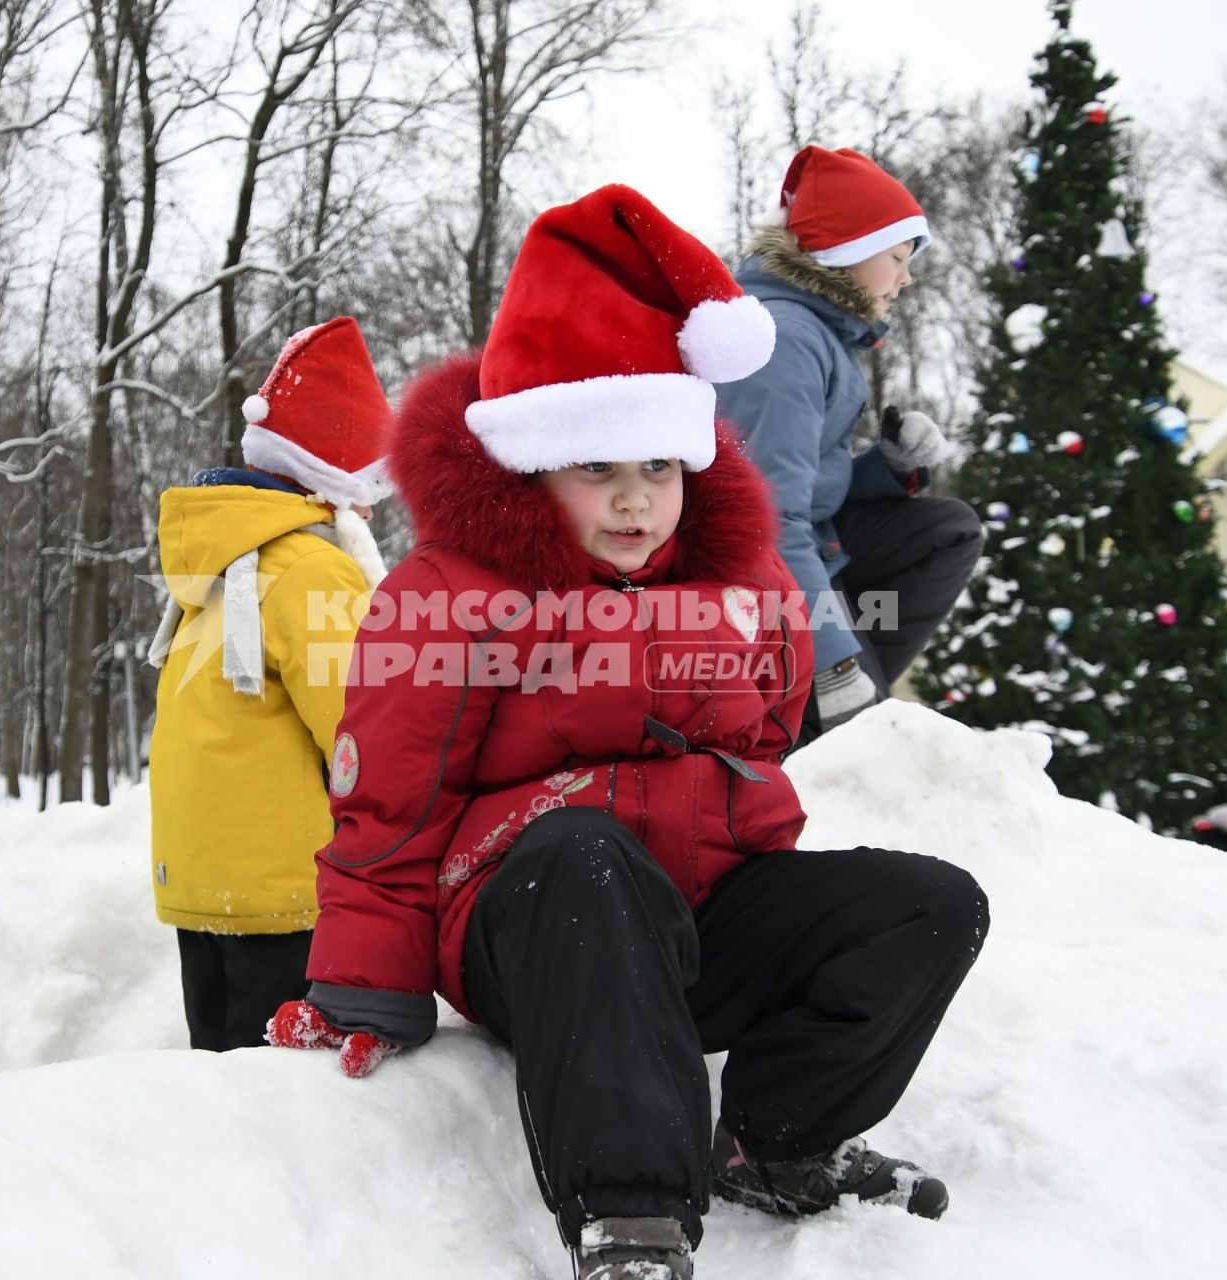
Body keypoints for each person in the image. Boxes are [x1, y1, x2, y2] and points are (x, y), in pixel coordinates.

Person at [264, 187, 989, 1280]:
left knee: (929, 904)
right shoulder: (451, 592)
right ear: (532, 466)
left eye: (656, 467)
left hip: (690, 918)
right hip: (535, 923)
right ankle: (632, 1214)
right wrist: (369, 985)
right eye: (596, 467)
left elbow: (765, 742)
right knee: (588, 848)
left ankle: (776, 1139)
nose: (635, 500)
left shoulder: (740, 583)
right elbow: (389, 801)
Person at [146, 317, 391, 1051]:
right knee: (280, 1110)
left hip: (203, 884)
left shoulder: (219, 561)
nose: (377, 506)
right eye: (373, 480)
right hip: (288, 895)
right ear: (334, 477)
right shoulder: (311, 570)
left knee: (225, 1093)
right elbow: (363, 729)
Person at [713, 146, 984, 744]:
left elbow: (803, 482)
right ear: (848, 254)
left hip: (810, 545)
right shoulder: (784, 341)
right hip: (759, 575)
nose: (906, 277)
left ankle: (859, 688)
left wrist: (889, 471)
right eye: (896, 257)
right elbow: (764, 518)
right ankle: (828, 702)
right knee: (865, 744)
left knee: (946, 530)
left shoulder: (817, 333)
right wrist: (836, 668)